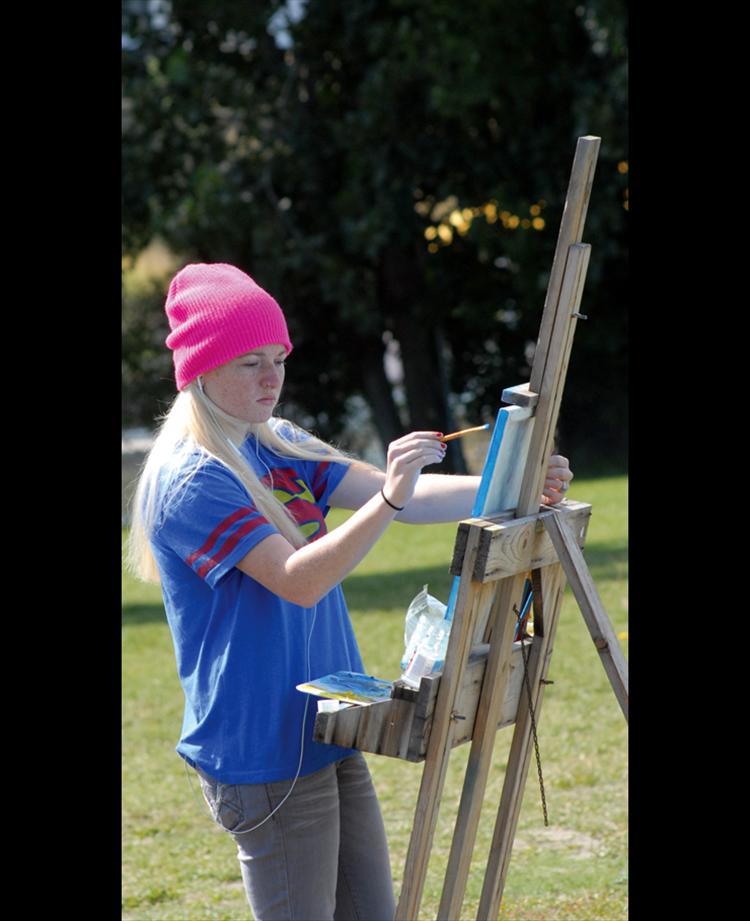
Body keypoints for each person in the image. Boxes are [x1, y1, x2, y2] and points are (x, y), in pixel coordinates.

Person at [126, 262, 573, 921]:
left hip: (330, 721)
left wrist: (515, 487)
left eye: (278, 358)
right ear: (200, 368)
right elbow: (302, 579)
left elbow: (402, 496)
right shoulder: (194, 477)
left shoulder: (275, 438)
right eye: (251, 361)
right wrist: (392, 494)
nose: (272, 377)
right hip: (265, 750)